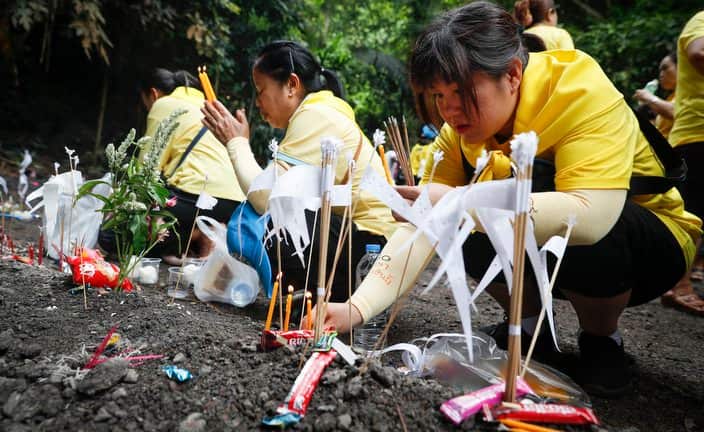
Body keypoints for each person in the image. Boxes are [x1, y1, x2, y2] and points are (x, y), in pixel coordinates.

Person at [316, 2, 702, 397]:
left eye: (461, 92)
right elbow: (422, 223)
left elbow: (592, 216)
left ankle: (602, 340)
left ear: (513, 74)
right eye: (437, 95)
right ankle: (532, 326)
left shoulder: (580, 90)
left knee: (545, 217)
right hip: (549, 237)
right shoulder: (459, 133)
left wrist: (462, 202)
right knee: (459, 216)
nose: (448, 109)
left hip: (652, 241)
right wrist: (356, 309)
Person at [201, 41, 397, 302]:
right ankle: (310, 294)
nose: (258, 102)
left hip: (371, 255)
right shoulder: (320, 112)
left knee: (273, 219)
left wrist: (236, 143)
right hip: (372, 252)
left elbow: (265, 199)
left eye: (260, 91)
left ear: (292, 85)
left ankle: (320, 293)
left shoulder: (316, 115)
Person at [99, 68, 246, 263]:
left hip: (196, 193)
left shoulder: (163, 104)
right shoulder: (211, 106)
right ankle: (201, 234)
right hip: (235, 202)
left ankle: (195, 236)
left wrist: (122, 210)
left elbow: (147, 170)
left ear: (153, 94)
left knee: (110, 239)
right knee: (162, 223)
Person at [665, 11, 704, 316]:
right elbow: (698, 52)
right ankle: (677, 284)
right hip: (696, 132)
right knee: (691, 212)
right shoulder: (701, 20)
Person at [633, 52, 677, 139]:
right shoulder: (670, 98)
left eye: (665, 68)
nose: (661, 74)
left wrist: (649, 98)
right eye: (660, 70)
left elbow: (677, 112)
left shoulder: (692, 93)